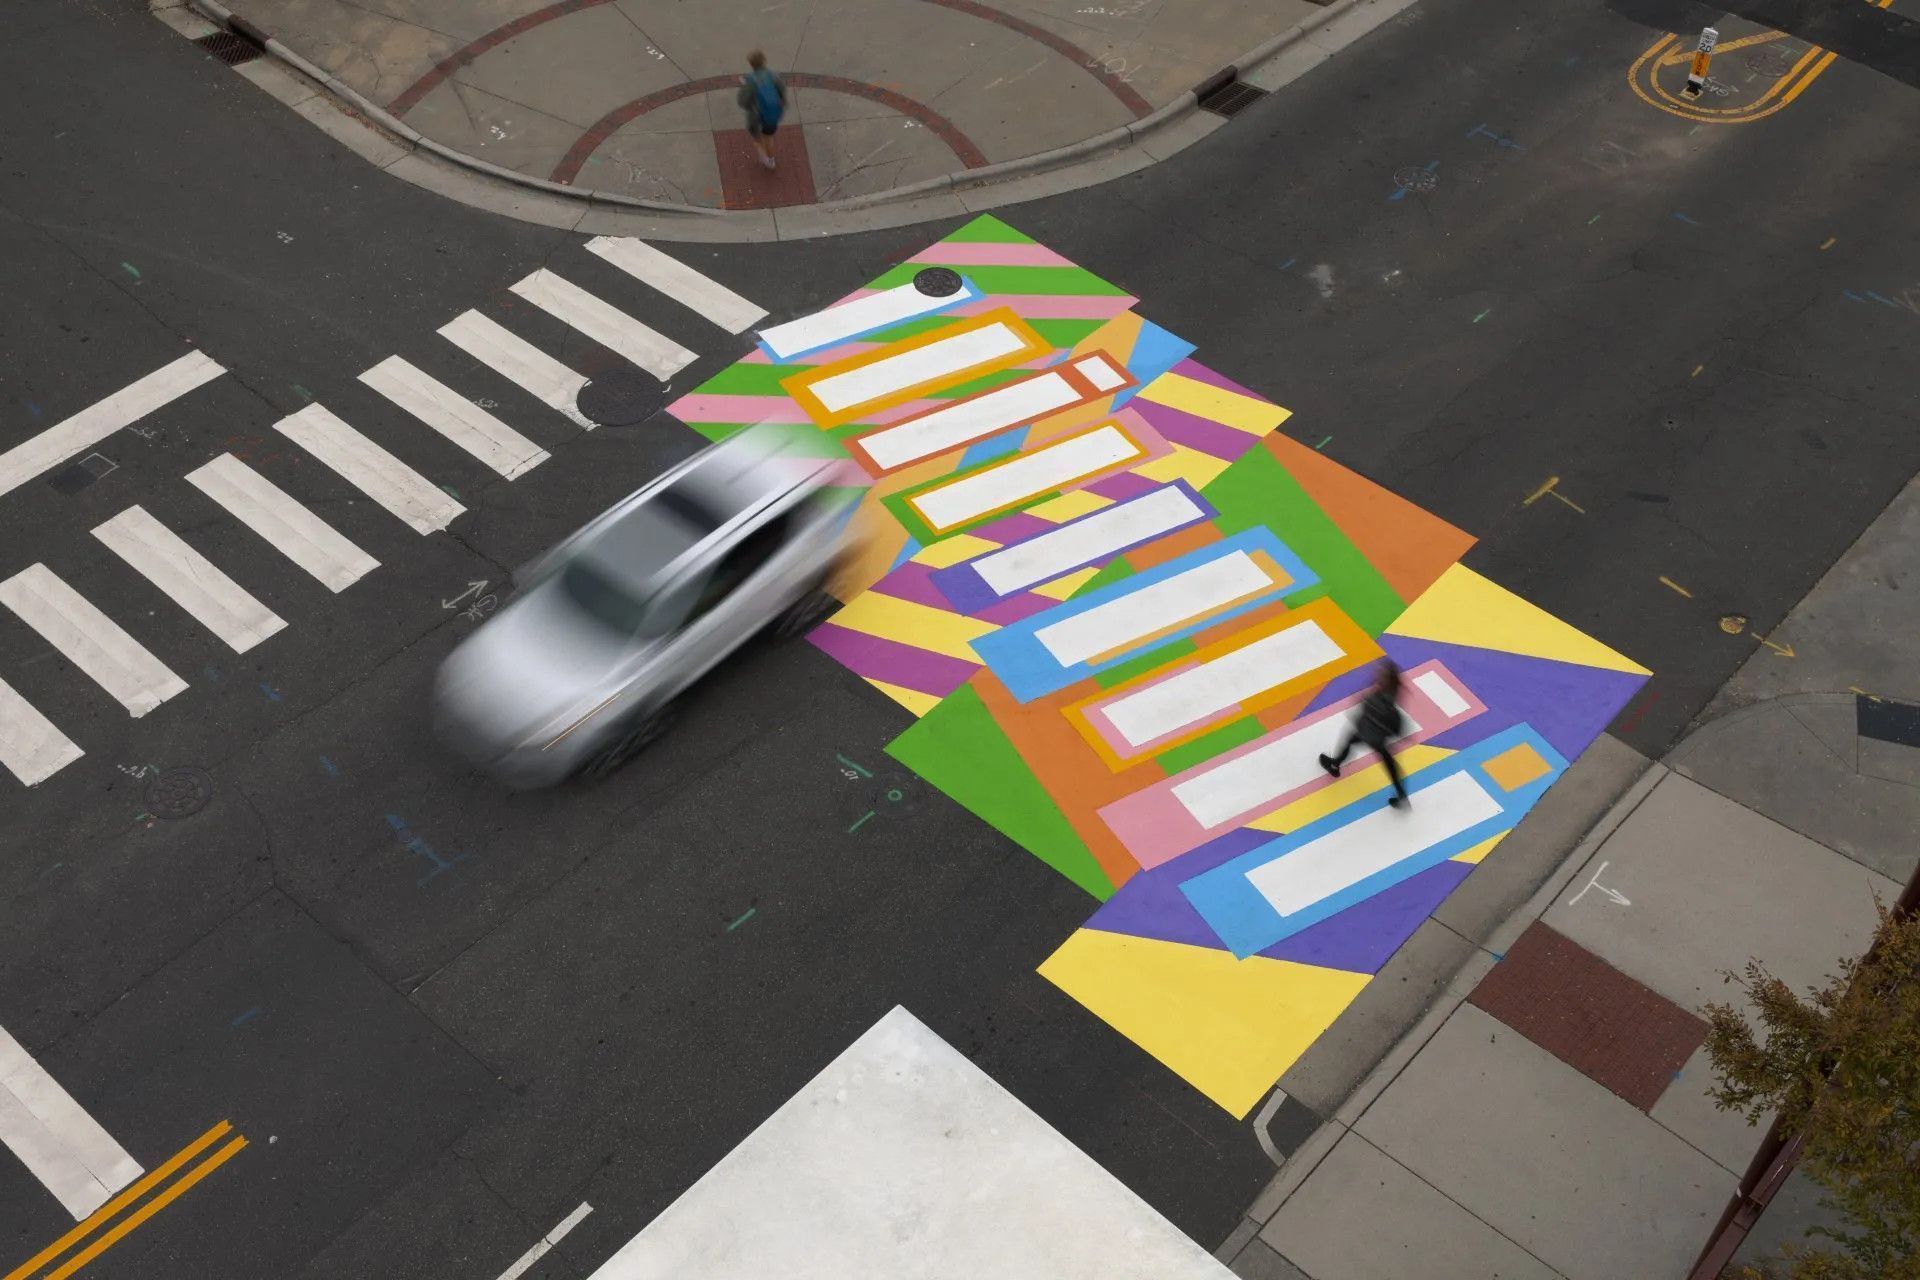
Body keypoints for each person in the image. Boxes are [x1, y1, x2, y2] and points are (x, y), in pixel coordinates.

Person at [1319, 659, 1411, 808]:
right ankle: (1401, 795)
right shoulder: (1392, 690)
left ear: (1387, 678)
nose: (1378, 674)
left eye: (1382, 673)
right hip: (1378, 736)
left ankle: (1334, 765)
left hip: (1369, 732)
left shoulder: (1380, 697)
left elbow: (1369, 709)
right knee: (1390, 765)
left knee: (1350, 741)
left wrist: (1364, 706)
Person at [737, 50, 787, 171]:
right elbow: (782, 92)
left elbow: (743, 101)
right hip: (772, 113)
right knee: (768, 137)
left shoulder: (750, 80)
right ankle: (771, 160)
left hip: (756, 116)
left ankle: (763, 157)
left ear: (751, 64)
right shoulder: (774, 76)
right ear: (764, 61)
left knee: (757, 139)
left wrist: (745, 85)